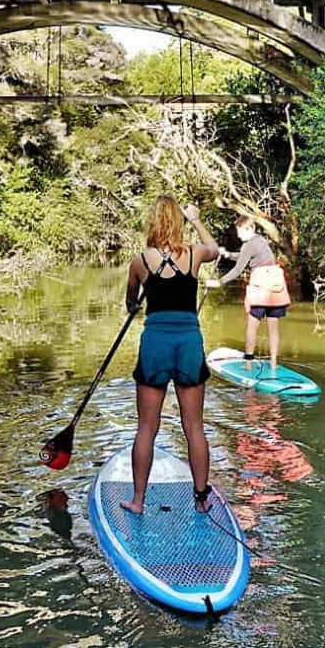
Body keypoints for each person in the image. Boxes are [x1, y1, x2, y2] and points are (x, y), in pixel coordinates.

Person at [121, 195, 219, 515]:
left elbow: (132, 304)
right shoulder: (193, 255)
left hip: (155, 344)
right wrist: (196, 219)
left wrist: (135, 304)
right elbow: (215, 250)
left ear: (152, 222)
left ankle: (137, 501)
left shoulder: (140, 261)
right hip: (188, 341)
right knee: (194, 426)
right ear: (178, 222)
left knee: (147, 427)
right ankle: (202, 500)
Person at [206, 215, 290, 371]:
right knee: (273, 328)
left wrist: (218, 282)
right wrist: (229, 255)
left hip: (261, 291)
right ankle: (273, 364)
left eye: (240, 231)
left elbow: (238, 269)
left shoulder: (247, 245)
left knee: (252, 326)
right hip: (276, 290)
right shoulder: (261, 241)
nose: (238, 235)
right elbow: (246, 256)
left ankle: (248, 364)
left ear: (250, 228)